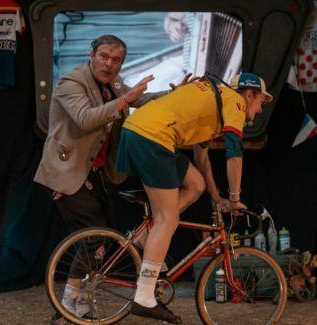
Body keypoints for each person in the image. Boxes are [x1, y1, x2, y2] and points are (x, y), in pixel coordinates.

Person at [116, 72, 273, 323]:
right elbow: (235, 154)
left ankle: (146, 237)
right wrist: (234, 198)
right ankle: (144, 297)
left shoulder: (216, 100)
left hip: (141, 132)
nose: (261, 108)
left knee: (196, 184)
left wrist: (217, 197)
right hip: (153, 137)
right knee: (168, 220)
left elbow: (202, 159)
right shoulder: (235, 101)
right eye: (261, 102)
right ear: (249, 94)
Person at [34, 34, 163, 323]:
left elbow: (139, 98)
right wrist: (125, 100)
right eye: (104, 56)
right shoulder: (71, 82)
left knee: (100, 243)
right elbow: (86, 118)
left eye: (116, 60)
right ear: (92, 54)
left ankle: (74, 307)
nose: (109, 64)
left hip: (95, 174)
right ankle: (66, 310)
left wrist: (176, 94)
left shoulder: (113, 84)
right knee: (95, 242)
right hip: (67, 173)